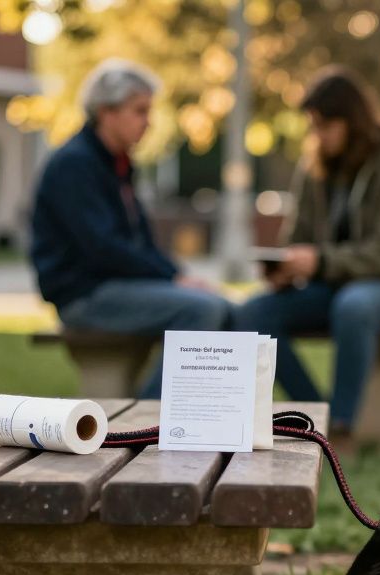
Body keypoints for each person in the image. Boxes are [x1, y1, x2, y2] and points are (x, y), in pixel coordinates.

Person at [234, 66, 380, 441]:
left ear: (351, 121)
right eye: (313, 126)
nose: (317, 136)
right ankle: (315, 417)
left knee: (354, 305)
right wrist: (286, 267)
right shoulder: (314, 166)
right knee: (253, 313)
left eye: (324, 126)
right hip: (331, 285)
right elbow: (299, 237)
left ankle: (341, 428)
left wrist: (320, 261)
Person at [31, 59, 231, 399]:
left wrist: (176, 274)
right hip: (84, 295)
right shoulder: (75, 164)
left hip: (115, 286)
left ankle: (222, 413)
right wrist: (171, 279)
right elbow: (103, 247)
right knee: (203, 309)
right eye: (139, 111)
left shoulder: (117, 163)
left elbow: (140, 242)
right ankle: (147, 421)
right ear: (106, 112)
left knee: (228, 308)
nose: (148, 122)